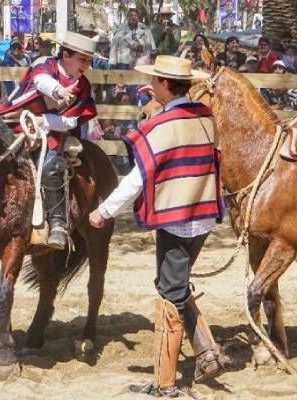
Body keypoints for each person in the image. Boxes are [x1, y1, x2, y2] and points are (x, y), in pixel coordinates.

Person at [88, 55, 223, 397]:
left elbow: (138, 178)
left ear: (164, 84)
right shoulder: (204, 116)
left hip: (177, 219)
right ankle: (205, 351)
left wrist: (104, 211)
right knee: (173, 284)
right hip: (204, 213)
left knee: (170, 293)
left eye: (155, 83)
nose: (151, 88)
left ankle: (166, 383)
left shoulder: (163, 126)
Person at [0, 32, 98, 249]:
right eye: (83, 60)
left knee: (52, 164)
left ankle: (58, 224)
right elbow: (39, 81)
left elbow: (72, 121)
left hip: (52, 130)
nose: (86, 66)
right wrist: (59, 90)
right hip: (15, 120)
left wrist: (43, 121)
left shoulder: (84, 85)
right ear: (66, 54)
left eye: (89, 61)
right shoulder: (45, 64)